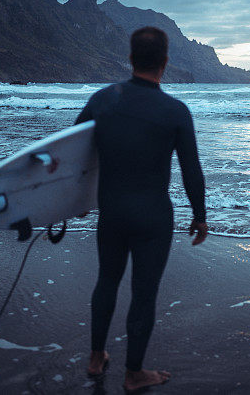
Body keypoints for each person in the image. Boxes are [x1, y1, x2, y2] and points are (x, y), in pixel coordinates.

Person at [75, 26, 208, 392]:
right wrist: (200, 215)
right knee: (143, 292)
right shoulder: (175, 111)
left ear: (130, 59)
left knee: (107, 281)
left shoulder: (103, 100)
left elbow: (75, 153)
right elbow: (191, 170)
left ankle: (95, 356)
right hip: (153, 215)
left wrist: (77, 202)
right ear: (166, 62)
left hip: (112, 210)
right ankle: (134, 373)